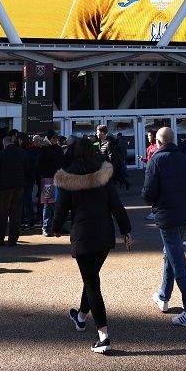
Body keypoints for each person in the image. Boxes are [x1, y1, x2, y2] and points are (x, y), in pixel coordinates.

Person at [53, 137, 134, 354]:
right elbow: (116, 204)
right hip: (104, 235)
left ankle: (104, 336)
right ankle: (80, 317)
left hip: (82, 234)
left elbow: (61, 207)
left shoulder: (68, 177)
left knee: (92, 284)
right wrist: (126, 230)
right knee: (91, 278)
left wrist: (56, 227)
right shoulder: (103, 174)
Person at [143, 126, 186, 327]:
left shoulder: (156, 160)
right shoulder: (185, 159)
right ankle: (163, 295)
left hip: (166, 217)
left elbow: (147, 194)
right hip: (183, 216)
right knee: (170, 255)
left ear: (158, 142)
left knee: (177, 261)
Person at [0, 135, 31, 246]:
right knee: (16, 213)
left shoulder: (2, 154)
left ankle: (0, 238)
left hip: (5, 187)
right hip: (19, 185)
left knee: (3, 213)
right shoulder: (22, 153)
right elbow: (28, 168)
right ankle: (13, 239)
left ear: (4, 144)